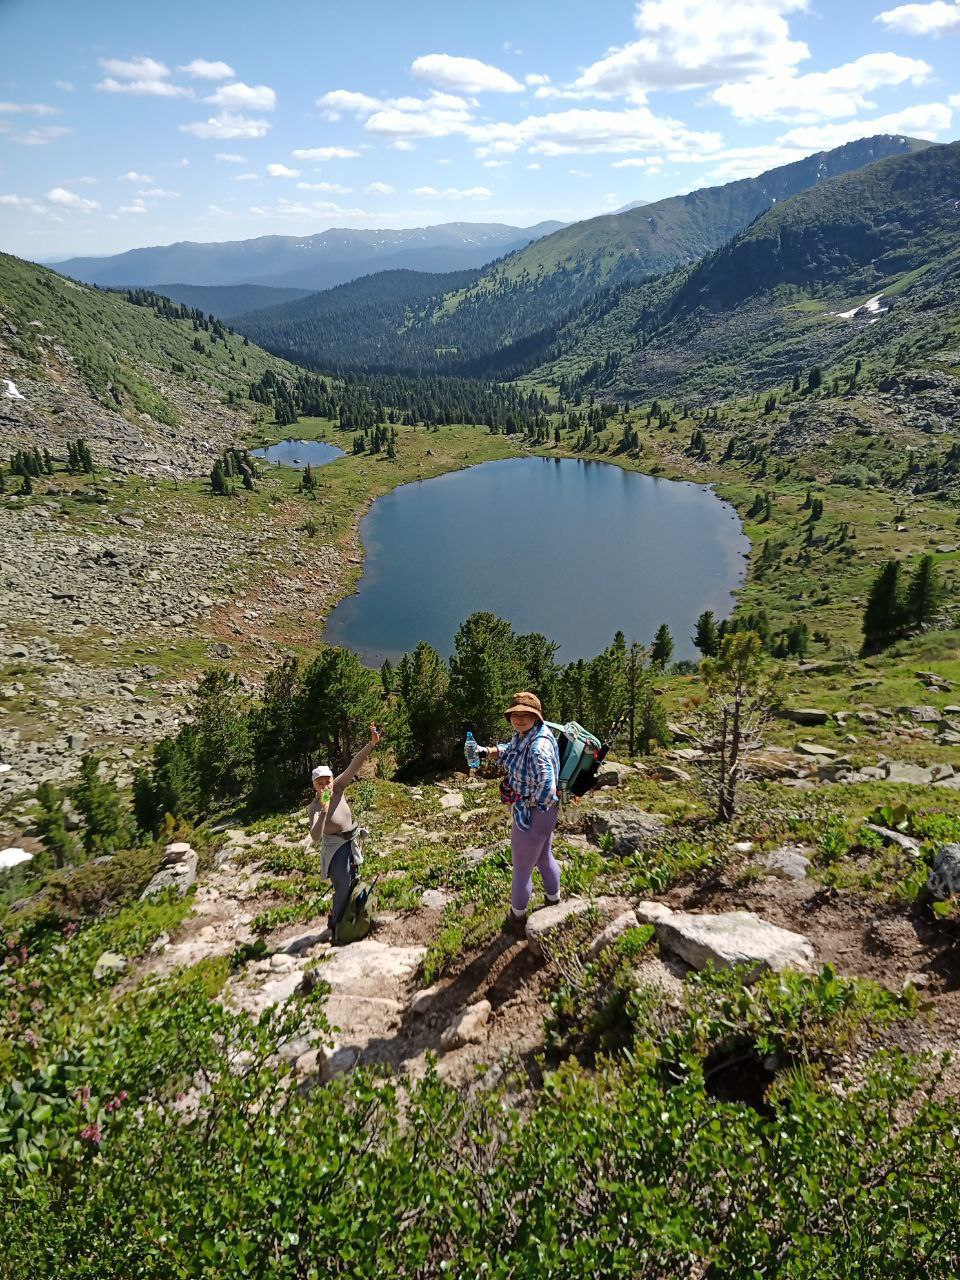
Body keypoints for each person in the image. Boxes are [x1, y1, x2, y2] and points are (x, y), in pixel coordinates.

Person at [480, 691, 561, 937]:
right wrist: (488, 751)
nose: (519, 719)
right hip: (545, 814)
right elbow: (511, 749)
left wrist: (526, 801)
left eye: (526, 715)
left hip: (534, 813)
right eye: (515, 714)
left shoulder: (538, 747)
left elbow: (548, 787)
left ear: (536, 716)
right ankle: (553, 901)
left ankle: (517, 918)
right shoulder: (527, 735)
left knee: (522, 867)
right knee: (544, 856)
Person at [308, 722, 381, 935]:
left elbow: (354, 764)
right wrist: (323, 811)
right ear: (314, 786)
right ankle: (338, 927)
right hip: (335, 850)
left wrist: (371, 743)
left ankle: (354, 919)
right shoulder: (313, 807)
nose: (325, 786)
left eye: (327, 781)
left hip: (351, 842)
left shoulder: (339, 787)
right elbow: (314, 836)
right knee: (342, 887)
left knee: (354, 879)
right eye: (320, 783)